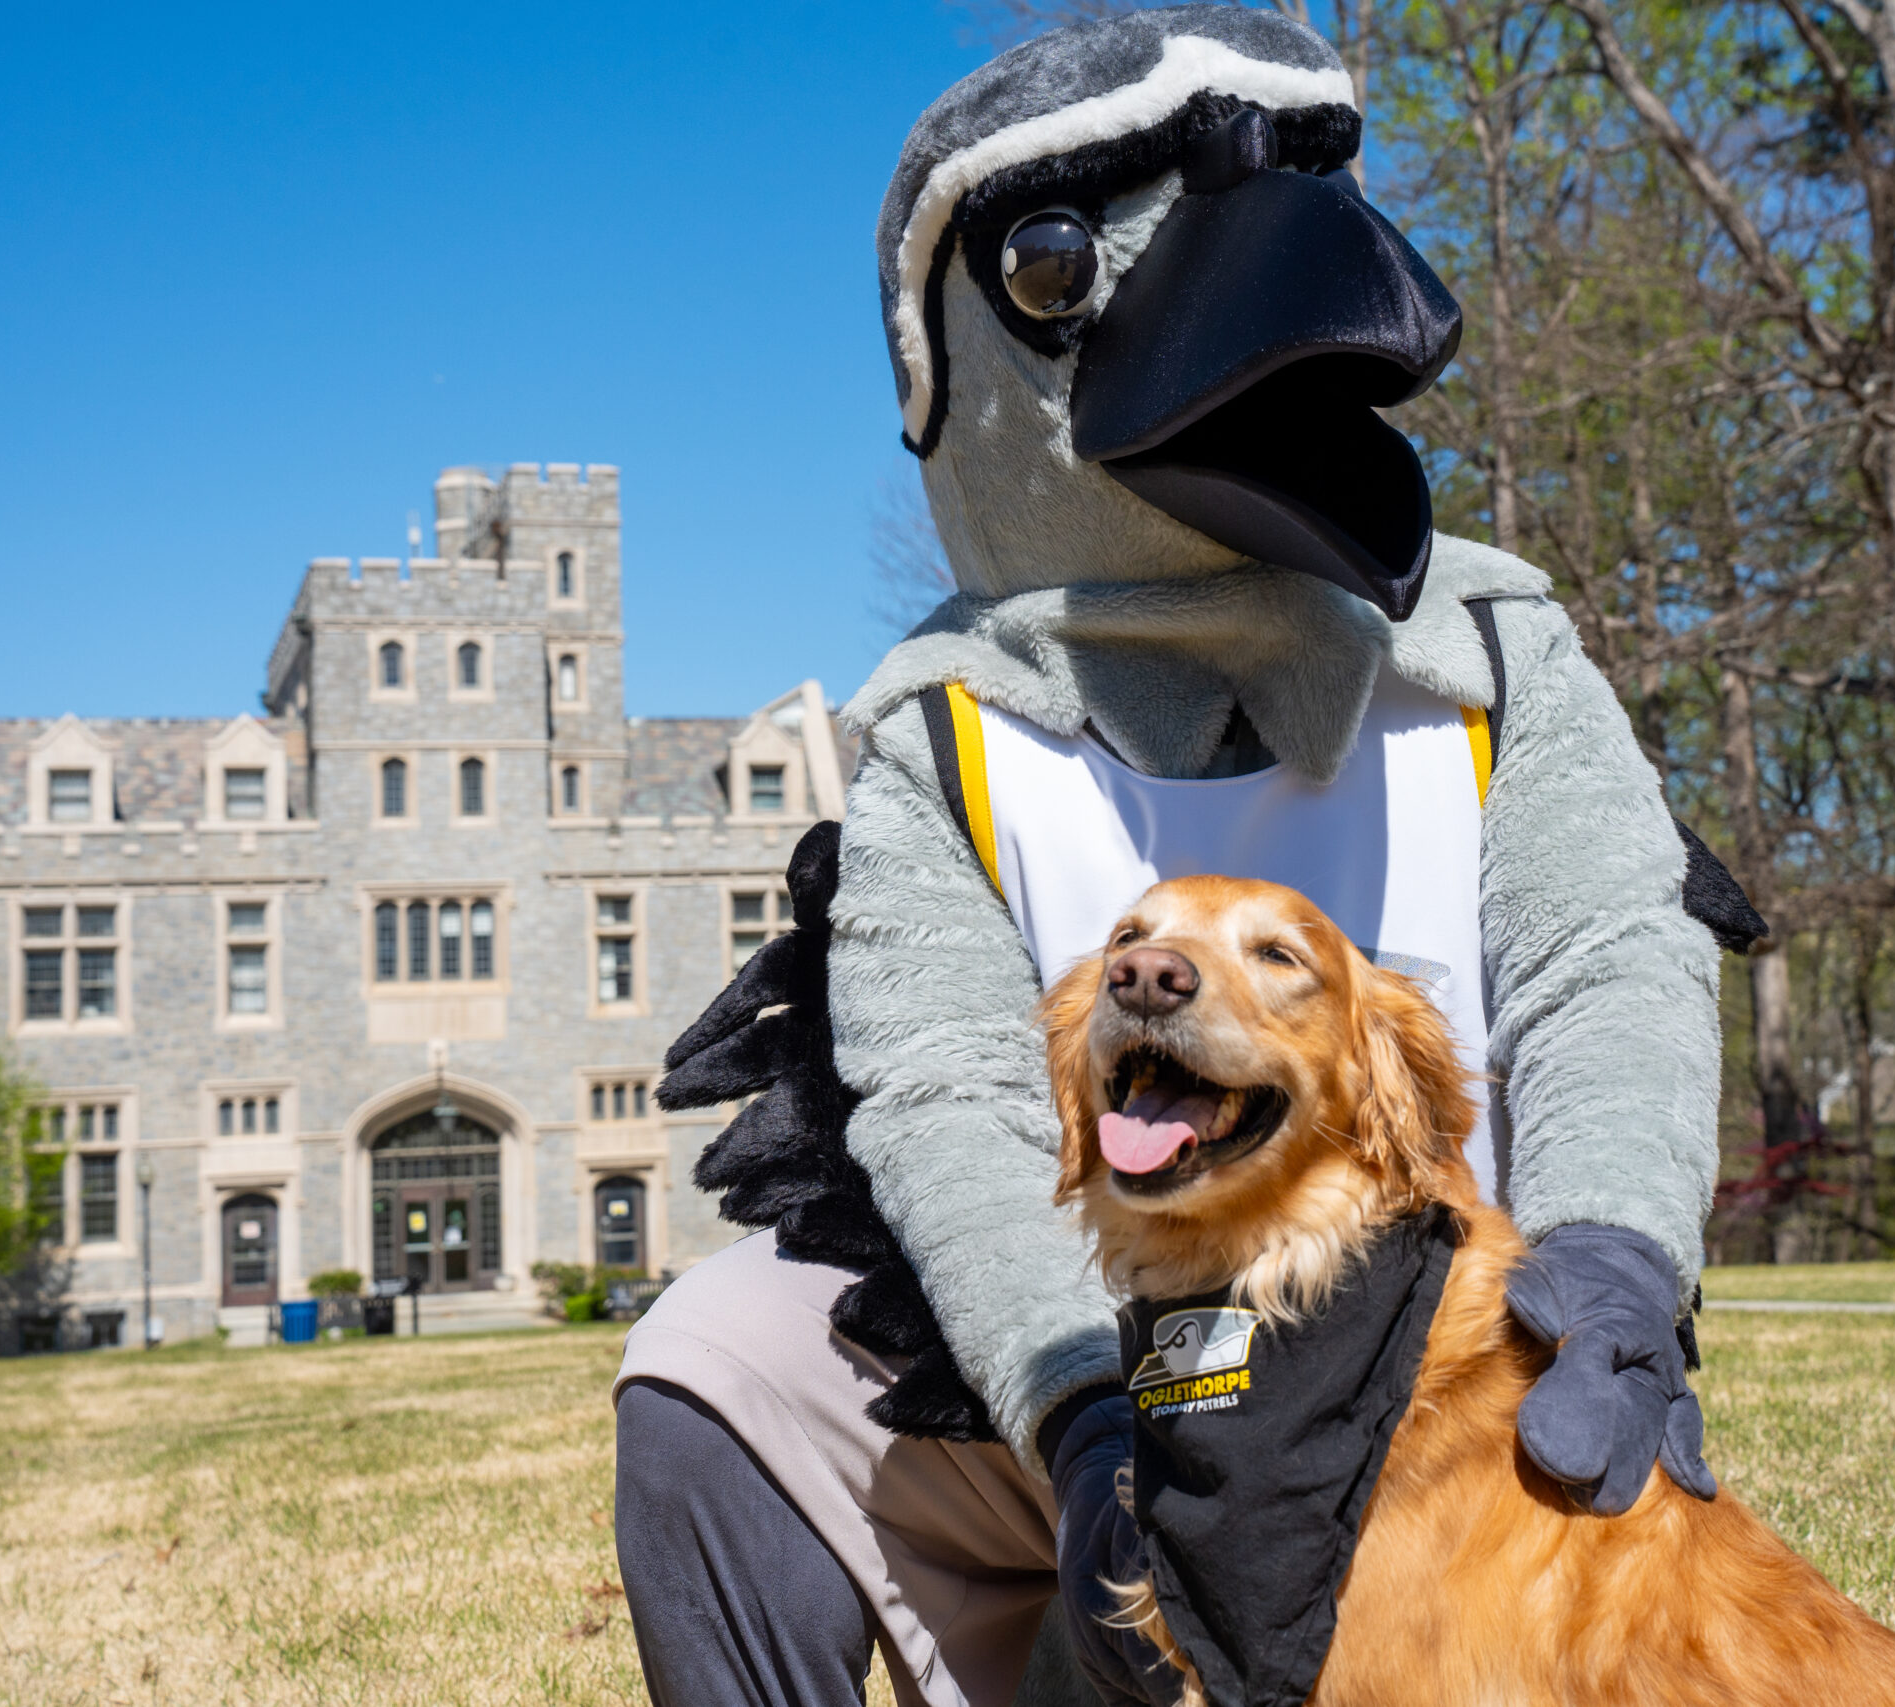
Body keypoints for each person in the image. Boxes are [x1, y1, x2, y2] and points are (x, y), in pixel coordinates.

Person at [614, 11, 1735, 1705]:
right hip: (1080, 1352)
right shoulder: (944, 732)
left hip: (1441, 1360)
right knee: (712, 1360)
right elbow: (944, 1101)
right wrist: (1076, 1415)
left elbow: (1605, 962)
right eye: (1063, 264)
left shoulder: (1490, 655)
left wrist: (1617, 1259)